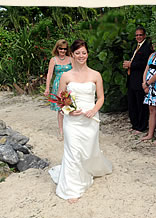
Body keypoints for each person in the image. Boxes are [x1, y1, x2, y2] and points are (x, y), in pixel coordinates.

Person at [48, 39, 112, 204]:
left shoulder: (95, 74)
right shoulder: (66, 75)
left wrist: (94, 110)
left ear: (87, 54)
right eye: (78, 53)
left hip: (90, 119)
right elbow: (59, 100)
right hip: (72, 121)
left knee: (88, 151)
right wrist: (68, 110)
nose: (81, 56)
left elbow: (101, 97)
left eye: (84, 52)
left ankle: (90, 170)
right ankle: (72, 189)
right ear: (72, 55)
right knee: (72, 153)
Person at [123, 26, 153, 134]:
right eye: (137, 35)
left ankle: (141, 126)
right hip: (132, 79)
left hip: (140, 79)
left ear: (144, 35)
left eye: (140, 35)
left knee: (141, 104)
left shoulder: (146, 47)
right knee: (132, 103)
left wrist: (132, 64)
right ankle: (135, 124)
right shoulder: (136, 47)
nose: (138, 37)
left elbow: (145, 63)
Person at [44, 39, 73, 141]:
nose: (63, 51)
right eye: (60, 48)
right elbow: (50, 74)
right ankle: (61, 132)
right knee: (60, 109)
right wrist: (47, 88)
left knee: (71, 108)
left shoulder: (70, 59)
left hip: (69, 85)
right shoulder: (54, 60)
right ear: (57, 48)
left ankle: (71, 131)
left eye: (65, 49)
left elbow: (75, 72)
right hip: (58, 86)